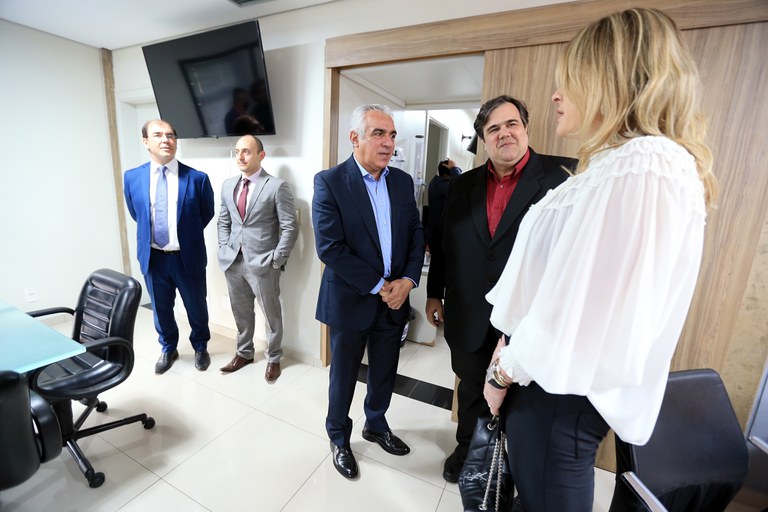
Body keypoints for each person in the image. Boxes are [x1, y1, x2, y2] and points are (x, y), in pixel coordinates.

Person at [482, 8, 718, 510]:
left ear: (611, 79)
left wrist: (503, 371)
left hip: (555, 396)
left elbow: (584, 307)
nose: (555, 96)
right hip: (539, 380)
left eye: (568, 80)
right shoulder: (614, 165)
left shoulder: (646, 163)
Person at [426, 96, 574, 483]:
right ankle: (469, 452)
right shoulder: (462, 185)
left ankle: (512, 470)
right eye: (493, 129)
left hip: (529, 321)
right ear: (483, 139)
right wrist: (434, 291)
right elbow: (444, 243)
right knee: (472, 391)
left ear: (525, 128)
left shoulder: (564, 178)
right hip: (470, 314)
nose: (504, 133)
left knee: (524, 403)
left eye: (511, 124)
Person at [312, 104, 425, 480]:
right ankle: (338, 437)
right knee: (343, 375)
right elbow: (330, 248)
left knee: (385, 370)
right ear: (354, 138)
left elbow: (416, 234)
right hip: (351, 300)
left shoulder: (401, 182)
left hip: (395, 299)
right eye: (378, 134)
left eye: (391, 135)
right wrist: (381, 286)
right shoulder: (330, 182)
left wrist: (408, 281)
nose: (388, 143)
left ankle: (375, 424)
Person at [123, 119, 215, 374]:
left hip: (187, 257)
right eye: (158, 135)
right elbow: (137, 214)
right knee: (161, 309)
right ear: (145, 142)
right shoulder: (132, 177)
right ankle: (168, 348)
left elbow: (205, 214)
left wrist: (183, 235)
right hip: (153, 258)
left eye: (171, 135)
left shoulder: (197, 179)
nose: (166, 139)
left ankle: (200, 347)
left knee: (196, 306)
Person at [216, 135, 298, 382]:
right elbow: (223, 221)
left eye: (246, 151)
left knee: (271, 315)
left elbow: (290, 226)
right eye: (237, 151)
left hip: (263, 264)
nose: (240, 157)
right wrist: (223, 248)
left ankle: (273, 358)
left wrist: (277, 259)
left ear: (261, 155)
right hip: (233, 262)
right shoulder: (228, 185)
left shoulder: (276, 186)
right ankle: (244, 353)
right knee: (241, 312)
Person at [425, 159, 460, 250]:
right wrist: (454, 168)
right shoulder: (441, 185)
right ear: (446, 175)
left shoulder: (436, 183)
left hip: (437, 233)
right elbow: (460, 186)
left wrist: (454, 169)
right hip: (439, 235)